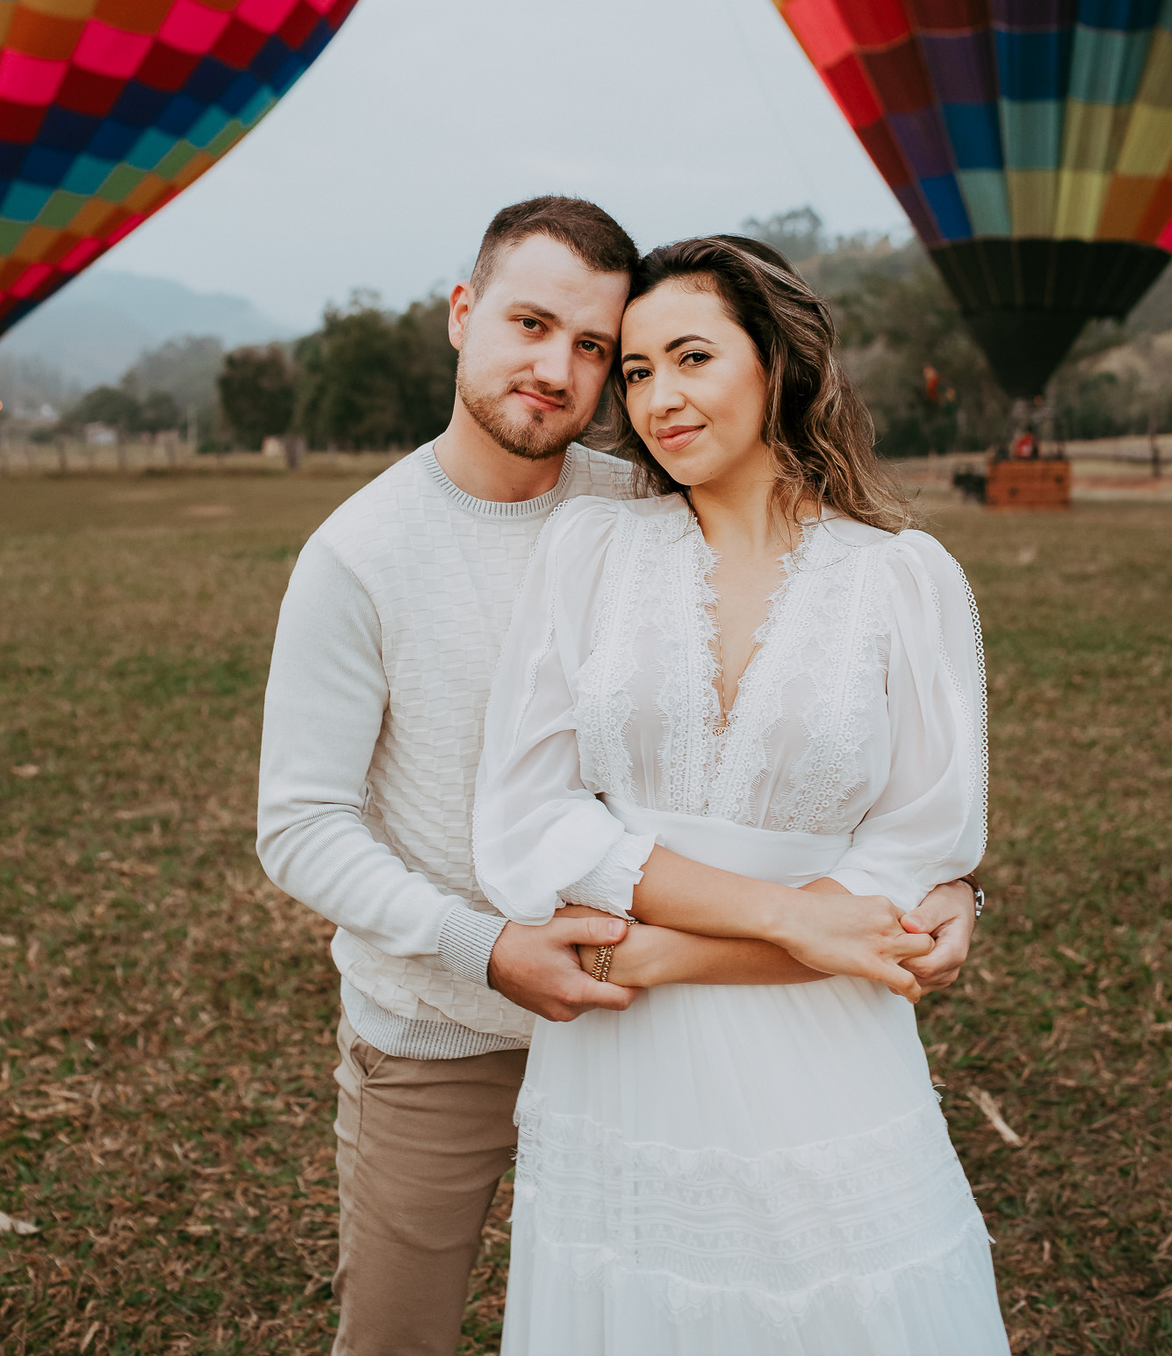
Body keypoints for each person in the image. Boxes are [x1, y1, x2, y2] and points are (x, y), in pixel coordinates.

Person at [257, 198, 981, 1356]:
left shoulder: (639, 502)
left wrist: (945, 889)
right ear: (462, 313)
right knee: (402, 1336)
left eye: (599, 348)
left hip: (667, 1007)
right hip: (444, 1019)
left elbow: (850, 771)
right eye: (533, 324)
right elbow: (300, 825)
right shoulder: (362, 551)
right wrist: (482, 943)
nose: (565, 370)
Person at [474, 235, 1008, 1354]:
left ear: (776, 361)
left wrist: (675, 954)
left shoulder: (905, 580)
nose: (658, 398)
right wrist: (782, 914)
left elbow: (916, 854)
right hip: (621, 1063)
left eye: (691, 357)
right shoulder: (591, 551)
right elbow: (530, 818)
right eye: (634, 370)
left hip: (813, 1046)